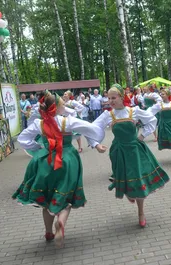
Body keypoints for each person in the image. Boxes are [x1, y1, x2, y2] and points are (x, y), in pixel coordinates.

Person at [13, 91, 105, 248]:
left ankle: (48, 232)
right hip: (67, 160)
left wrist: (38, 148)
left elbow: (22, 139)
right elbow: (91, 128)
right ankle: (61, 221)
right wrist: (96, 141)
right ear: (57, 108)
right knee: (66, 195)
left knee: (46, 200)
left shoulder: (39, 124)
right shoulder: (67, 122)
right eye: (63, 103)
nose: (65, 105)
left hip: (45, 160)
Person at [87, 84, 170, 227]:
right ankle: (130, 193)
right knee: (125, 178)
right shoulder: (108, 115)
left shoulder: (134, 111)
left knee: (138, 181)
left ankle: (141, 212)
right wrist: (96, 145)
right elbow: (91, 129)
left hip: (135, 151)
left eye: (114, 97)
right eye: (109, 98)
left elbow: (152, 120)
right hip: (118, 152)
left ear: (121, 97)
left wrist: (142, 136)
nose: (111, 101)